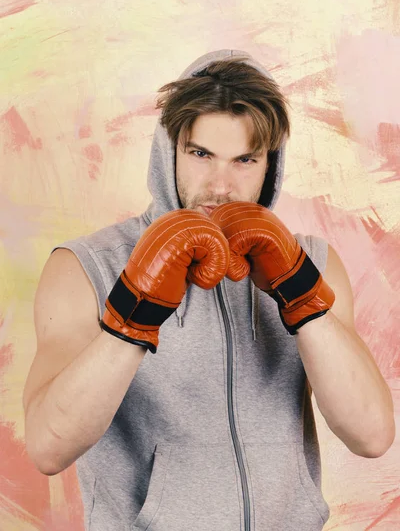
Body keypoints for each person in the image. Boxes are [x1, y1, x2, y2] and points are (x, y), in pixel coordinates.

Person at [23, 49, 395, 531]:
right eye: (201, 154)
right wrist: (134, 309)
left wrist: (301, 295)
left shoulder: (312, 264)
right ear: (170, 149)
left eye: (245, 160)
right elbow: (48, 447)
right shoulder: (86, 266)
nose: (221, 186)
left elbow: (371, 435)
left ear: (270, 166)